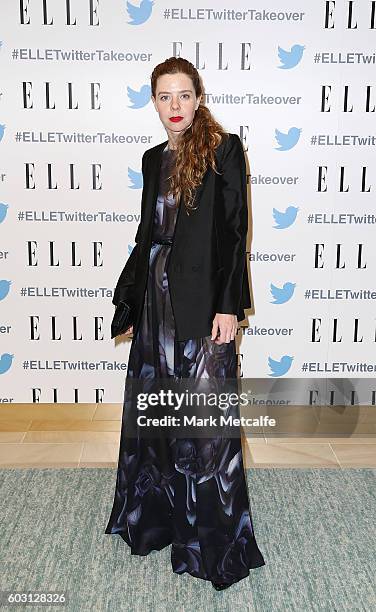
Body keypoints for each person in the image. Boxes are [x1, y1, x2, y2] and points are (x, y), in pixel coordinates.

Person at [105, 56, 265, 591]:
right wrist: (130, 296)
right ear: (154, 102)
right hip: (156, 304)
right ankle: (155, 518)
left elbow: (234, 233)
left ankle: (211, 538)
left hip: (201, 304)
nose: (174, 107)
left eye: (183, 95)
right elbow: (145, 233)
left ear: (199, 98)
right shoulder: (153, 159)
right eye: (163, 97)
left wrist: (228, 305)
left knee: (206, 422)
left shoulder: (223, 151)